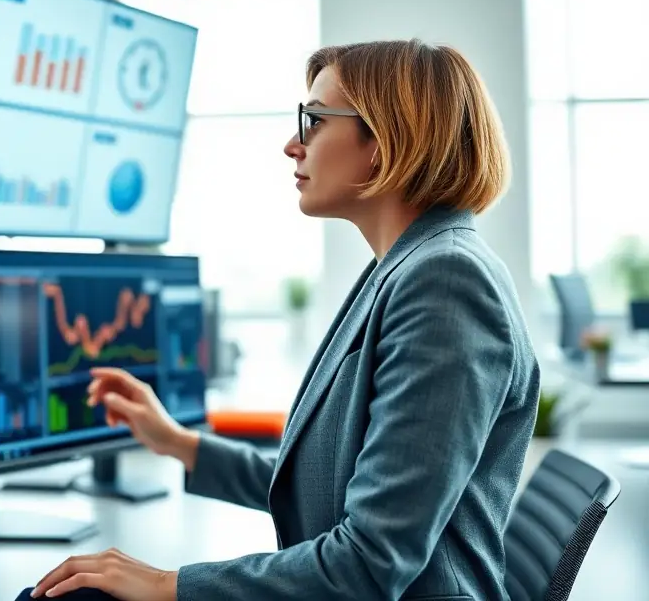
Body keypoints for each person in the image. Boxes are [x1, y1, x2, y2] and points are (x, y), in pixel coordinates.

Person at [31, 39, 541, 601]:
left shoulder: (445, 282)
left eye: (314, 120)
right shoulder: (404, 268)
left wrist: (167, 585)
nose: (292, 145)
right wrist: (179, 443)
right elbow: (325, 482)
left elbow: (370, 563)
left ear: (388, 139)